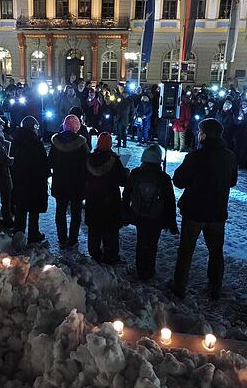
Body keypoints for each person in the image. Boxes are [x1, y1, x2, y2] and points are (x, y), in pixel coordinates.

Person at [171, 118, 238, 299]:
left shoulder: (195, 156)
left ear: (204, 134)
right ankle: (215, 287)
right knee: (216, 251)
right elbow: (232, 181)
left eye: (200, 131)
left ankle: (179, 286)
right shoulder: (230, 156)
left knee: (186, 250)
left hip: (195, 211)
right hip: (217, 212)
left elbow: (179, 181)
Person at [122, 144, 177, 280]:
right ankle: (149, 269)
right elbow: (170, 201)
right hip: (156, 216)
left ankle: (140, 269)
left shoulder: (135, 173)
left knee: (141, 241)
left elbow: (126, 195)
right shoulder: (163, 177)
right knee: (152, 243)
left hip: (139, 214)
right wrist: (171, 221)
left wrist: (125, 214)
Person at [84, 132, 129, 265]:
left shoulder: (89, 159)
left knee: (94, 228)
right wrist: (125, 172)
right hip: (110, 201)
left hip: (93, 200)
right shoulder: (114, 161)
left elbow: (83, 177)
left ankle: (95, 253)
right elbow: (123, 181)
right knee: (110, 230)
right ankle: (111, 255)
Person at [48, 114, 89, 248]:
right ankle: (72, 239)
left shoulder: (56, 142)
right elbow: (87, 164)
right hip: (77, 183)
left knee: (60, 211)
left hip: (60, 182)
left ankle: (62, 238)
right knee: (76, 213)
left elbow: (50, 162)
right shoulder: (81, 143)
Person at [11, 116, 49, 243]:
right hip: (34, 181)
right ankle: (33, 233)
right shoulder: (34, 143)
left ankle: (19, 232)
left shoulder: (17, 140)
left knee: (21, 207)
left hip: (20, 179)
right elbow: (42, 162)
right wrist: (45, 174)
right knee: (33, 208)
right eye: (36, 127)